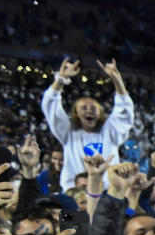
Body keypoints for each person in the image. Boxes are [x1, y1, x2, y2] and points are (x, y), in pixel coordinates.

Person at [40, 57, 135, 191]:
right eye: (83, 108)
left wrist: (117, 80)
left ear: (100, 114)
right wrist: (60, 79)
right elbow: (50, 105)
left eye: (93, 108)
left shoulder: (109, 132)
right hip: (75, 196)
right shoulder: (68, 134)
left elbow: (125, 111)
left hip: (107, 195)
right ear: (76, 114)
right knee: (71, 214)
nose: (89, 110)